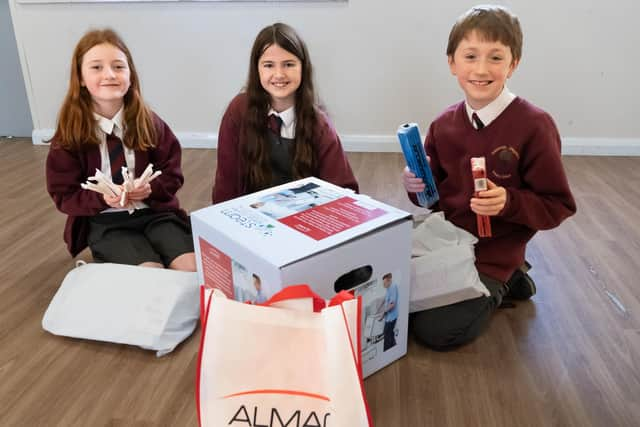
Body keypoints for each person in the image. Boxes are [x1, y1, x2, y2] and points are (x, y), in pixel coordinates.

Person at [402, 5, 576, 350]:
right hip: (447, 240)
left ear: (513, 64)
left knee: (434, 330)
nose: (481, 69)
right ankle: (508, 280)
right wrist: (416, 187)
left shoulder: (535, 126)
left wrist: (509, 202)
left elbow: (557, 205)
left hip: (492, 253)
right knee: (389, 291)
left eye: (495, 58)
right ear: (452, 63)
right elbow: (432, 199)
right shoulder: (443, 124)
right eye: (470, 56)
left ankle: (505, 279)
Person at [46, 29, 196, 271]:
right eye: (96, 67)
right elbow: (64, 194)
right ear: (81, 78)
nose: (109, 75)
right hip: (107, 222)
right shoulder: (69, 136)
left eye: (118, 66)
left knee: (191, 268)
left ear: (130, 75)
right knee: (150, 272)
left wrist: (150, 188)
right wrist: (101, 198)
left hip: (156, 213)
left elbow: (172, 173)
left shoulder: (150, 122)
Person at [212, 22, 358, 204]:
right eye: (268, 65)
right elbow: (226, 182)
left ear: (303, 68)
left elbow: (344, 191)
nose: (279, 74)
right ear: (256, 69)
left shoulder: (319, 124)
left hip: (306, 221)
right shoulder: (238, 111)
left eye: (289, 64)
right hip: (250, 219)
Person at [378, 273, 399, 351]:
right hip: (389, 317)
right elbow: (385, 297)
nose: (383, 285)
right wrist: (380, 305)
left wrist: (383, 313)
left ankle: (386, 351)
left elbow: (392, 304)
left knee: (386, 333)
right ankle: (394, 348)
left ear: (388, 280)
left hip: (392, 317)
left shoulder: (393, 287)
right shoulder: (388, 288)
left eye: (384, 283)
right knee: (390, 334)